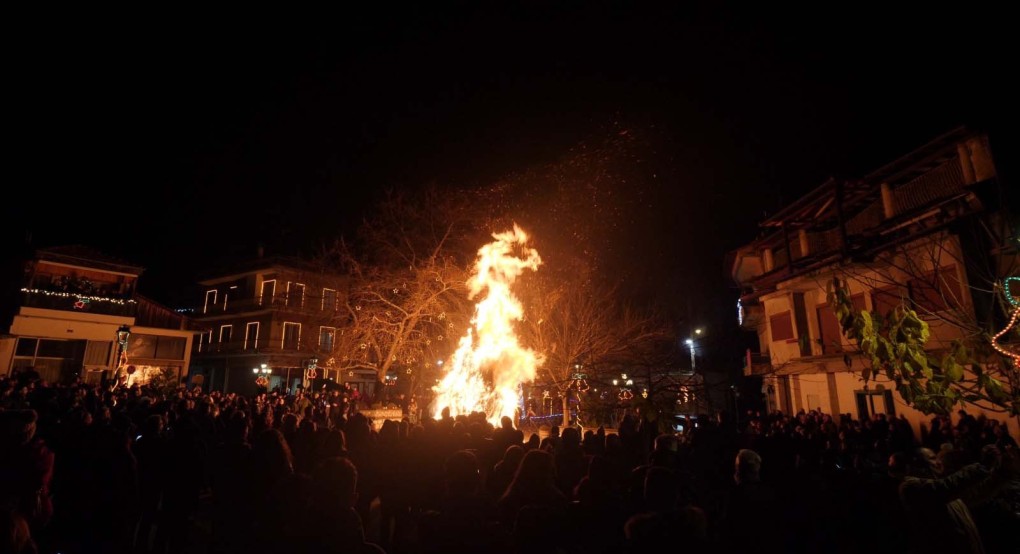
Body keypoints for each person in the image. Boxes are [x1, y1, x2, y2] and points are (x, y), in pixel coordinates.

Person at [898, 445, 1019, 554]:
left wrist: (1003, 472)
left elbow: (975, 495)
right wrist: (982, 466)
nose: (939, 462)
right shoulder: (911, 487)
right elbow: (947, 486)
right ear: (918, 464)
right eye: (932, 458)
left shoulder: (946, 491)